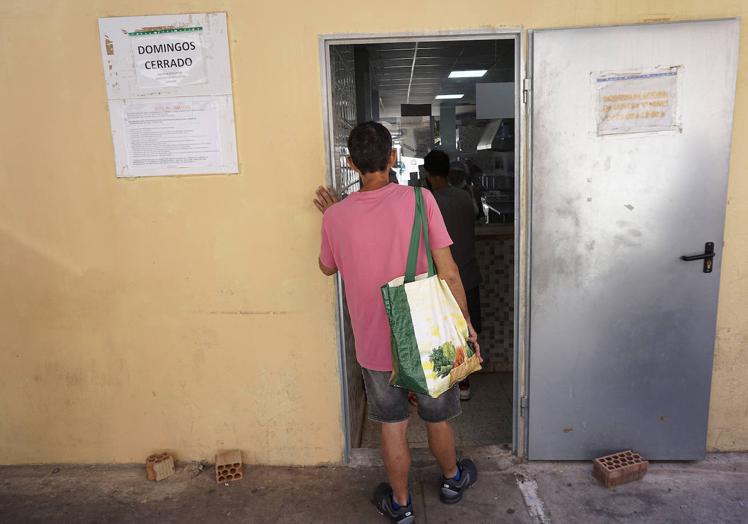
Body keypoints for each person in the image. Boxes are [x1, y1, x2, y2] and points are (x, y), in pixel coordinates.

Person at [313, 122, 481, 523]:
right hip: (427, 335)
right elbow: (450, 272)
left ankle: (401, 505)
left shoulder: (335, 216)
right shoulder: (422, 201)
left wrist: (336, 214)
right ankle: (452, 478)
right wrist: (466, 326)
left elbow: (326, 267)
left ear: (351, 163)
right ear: (392, 157)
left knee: (392, 424)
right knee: (436, 415)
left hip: (374, 346)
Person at [423, 150, 482, 401]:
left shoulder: (428, 202)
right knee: (467, 330)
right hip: (469, 272)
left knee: (447, 333)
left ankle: (451, 384)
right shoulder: (464, 198)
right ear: (448, 171)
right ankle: (465, 382)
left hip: (443, 277)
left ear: (427, 173)